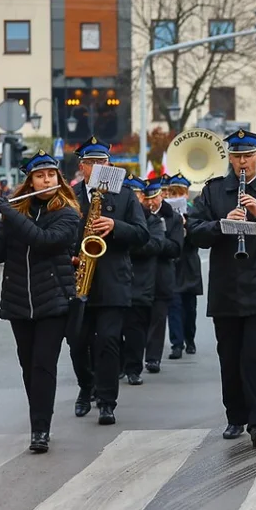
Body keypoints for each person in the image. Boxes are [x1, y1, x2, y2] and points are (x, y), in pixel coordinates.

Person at [187, 129, 256, 448]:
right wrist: (222, 224)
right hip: (226, 286)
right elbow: (194, 233)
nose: (241, 162)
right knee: (230, 355)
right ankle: (234, 416)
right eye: (235, 156)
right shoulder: (213, 191)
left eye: (247, 156)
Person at [0, 151, 81, 453]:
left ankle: (40, 429)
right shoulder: (19, 212)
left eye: (51, 175)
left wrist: (12, 214)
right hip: (20, 301)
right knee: (28, 367)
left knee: (44, 365)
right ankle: (39, 419)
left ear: (58, 179)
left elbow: (43, 241)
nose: (47, 180)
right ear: (30, 181)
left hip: (54, 299)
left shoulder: (68, 213)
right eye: (40, 176)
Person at [69, 137, 150, 425]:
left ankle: (106, 401)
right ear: (83, 167)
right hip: (78, 281)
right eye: (91, 162)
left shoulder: (126, 195)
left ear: (109, 164)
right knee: (77, 342)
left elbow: (142, 234)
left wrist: (116, 226)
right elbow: (60, 235)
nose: (98, 166)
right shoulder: (70, 196)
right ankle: (85, 387)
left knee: (108, 343)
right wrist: (71, 256)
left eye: (102, 161)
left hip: (113, 281)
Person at [120, 175, 166, 386]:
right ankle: (117, 366)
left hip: (141, 283)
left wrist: (124, 242)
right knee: (112, 331)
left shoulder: (153, 220)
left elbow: (155, 245)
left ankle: (133, 368)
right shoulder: (117, 215)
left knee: (136, 330)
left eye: (135, 193)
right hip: (116, 281)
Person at [145, 177, 184, 372]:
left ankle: (153, 358)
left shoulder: (173, 218)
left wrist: (156, 241)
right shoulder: (138, 215)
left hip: (162, 275)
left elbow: (176, 248)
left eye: (154, 197)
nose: (151, 203)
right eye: (147, 199)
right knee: (137, 320)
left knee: (158, 319)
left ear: (161, 196)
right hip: (140, 275)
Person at [165, 173, 203, 359]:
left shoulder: (194, 212)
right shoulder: (166, 215)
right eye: (172, 193)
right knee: (174, 306)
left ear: (186, 194)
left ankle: (190, 339)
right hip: (173, 266)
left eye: (179, 193)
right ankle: (176, 344)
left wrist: (187, 226)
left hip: (189, 265)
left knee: (190, 307)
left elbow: (199, 240)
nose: (175, 196)